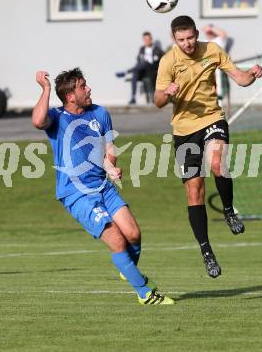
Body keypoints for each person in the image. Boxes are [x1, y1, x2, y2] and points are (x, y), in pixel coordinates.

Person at [32, 68, 174, 305]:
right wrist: (46, 89)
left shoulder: (100, 113)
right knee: (117, 241)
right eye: (82, 86)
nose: (88, 89)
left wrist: (111, 168)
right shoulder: (56, 118)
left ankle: (127, 269)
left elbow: (108, 150)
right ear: (70, 96)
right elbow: (37, 121)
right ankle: (145, 293)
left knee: (133, 234)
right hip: (76, 194)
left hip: (103, 187)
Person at [154, 16, 262, 278]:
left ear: (196, 33)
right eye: (181, 40)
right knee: (195, 192)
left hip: (212, 118)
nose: (187, 43)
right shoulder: (168, 61)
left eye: (190, 37)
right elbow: (157, 100)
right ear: (174, 39)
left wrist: (253, 75)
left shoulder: (212, 50)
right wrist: (167, 92)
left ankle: (228, 210)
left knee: (217, 162)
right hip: (183, 130)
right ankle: (206, 251)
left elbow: (240, 78)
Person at [116, 32, 164, 104]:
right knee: (135, 73)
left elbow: (161, 62)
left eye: (148, 39)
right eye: (145, 39)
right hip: (142, 71)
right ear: (143, 40)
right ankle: (133, 97)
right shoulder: (142, 49)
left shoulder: (157, 49)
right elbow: (138, 60)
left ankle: (126, 72)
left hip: (152, 70)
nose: (147, 41)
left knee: (145, 63)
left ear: (151, 39)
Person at [202, 24, 234, 117]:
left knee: (225, 89)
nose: (208, 33)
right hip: (208, 69)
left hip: (219, 69)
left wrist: (211, 28)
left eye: (210, 31)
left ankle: (228, 110)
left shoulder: (218, 40)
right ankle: (211, 110)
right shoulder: (203, 42)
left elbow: (223, 34)